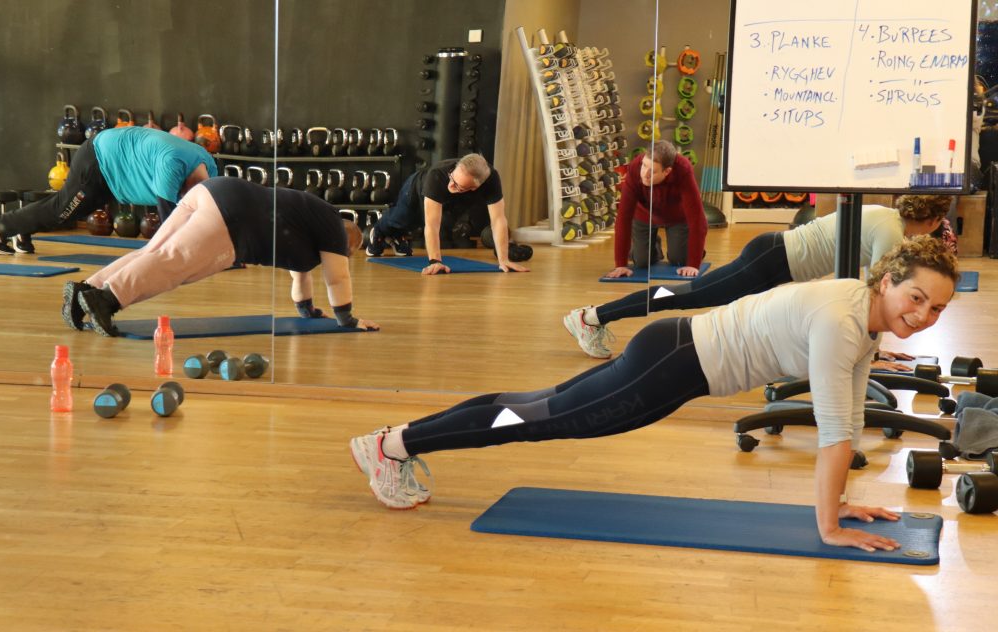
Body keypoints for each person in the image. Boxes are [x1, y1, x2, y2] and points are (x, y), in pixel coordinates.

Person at [350, 236, 958, 552]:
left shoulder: (859, 311)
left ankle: (395, 442)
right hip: (673, 365)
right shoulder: (841, 321)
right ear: (888, 281)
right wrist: (829, 526)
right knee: (542, 419)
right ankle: (393, 447)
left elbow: (848, 416)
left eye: (937, 308)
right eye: (916, 299)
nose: (925, 315)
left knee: (536, 406)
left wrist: (842, 503)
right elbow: (835, 433)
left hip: (675, 356)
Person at [567, 194, 953, 359]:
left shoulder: (886, 217)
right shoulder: (890, 229)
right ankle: (591, 317)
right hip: (771, 259)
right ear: (934, 220)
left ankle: (595, 316)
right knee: (686, 295)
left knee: (691, 296)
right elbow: (878, 297)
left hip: (776, 258)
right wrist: (873, 348)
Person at [62, 176, 377, 337]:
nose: (346, 256)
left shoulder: (310, 230)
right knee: (173, 261)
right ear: (349, 243)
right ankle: (108, 298)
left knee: (154, 251)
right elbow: (338, 277)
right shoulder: (335, 230)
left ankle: (86, 290)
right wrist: (347, 320)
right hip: (233, 219)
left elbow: (301, 277)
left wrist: (308, 311)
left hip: (214, 190)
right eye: (350, 252)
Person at [0, 126, 217, 255]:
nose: (183, 199)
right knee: (62, 210)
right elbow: (169, 225)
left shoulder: (210, 169)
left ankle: (22, 228)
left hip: (115, 171)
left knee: (66, 210)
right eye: (184, 195)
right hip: (99, 159)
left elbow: (207, 212)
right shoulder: (172, 167)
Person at [365, 153, 529, 275]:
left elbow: (499, 219)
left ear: (475, 187)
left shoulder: (491, 180)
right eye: (452, 179)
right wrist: (435, 261)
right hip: (416, 188)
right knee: (401, 220)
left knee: (433, 224)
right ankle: (378, 231)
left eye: (458, 186)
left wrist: (504, 260)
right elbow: (431, 225)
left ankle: (396, 237)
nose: (451, 186)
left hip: (453, 201)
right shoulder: (437, 175)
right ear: (456, 168)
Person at [606, 140, 707, 279]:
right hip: (643, 214)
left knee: (679, 260)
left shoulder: (683, 169)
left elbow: (698, 220)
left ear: (667, 171)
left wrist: (694, 264)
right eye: (644, 166)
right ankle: (654, 245)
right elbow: (624, 217)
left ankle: (687, 248)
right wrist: (621, 264)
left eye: (652, 171)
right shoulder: (635, 166)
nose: (644, 174)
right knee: (641, 262)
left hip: (676, 217)